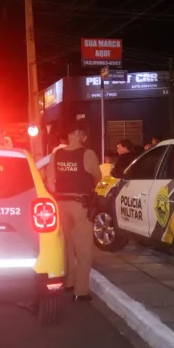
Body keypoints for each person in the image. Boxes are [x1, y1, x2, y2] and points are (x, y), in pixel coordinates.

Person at [45, 121, 102, 301]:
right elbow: (97, 177)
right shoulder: (88, 154)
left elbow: (49, 182)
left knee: (67, 246)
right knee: (84, 251)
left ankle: (69, 283)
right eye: (83, 134)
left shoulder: (56, 155)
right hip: (80, 205)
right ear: (77, 134)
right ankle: (81, 291)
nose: (84, 137)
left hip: (61, 204)